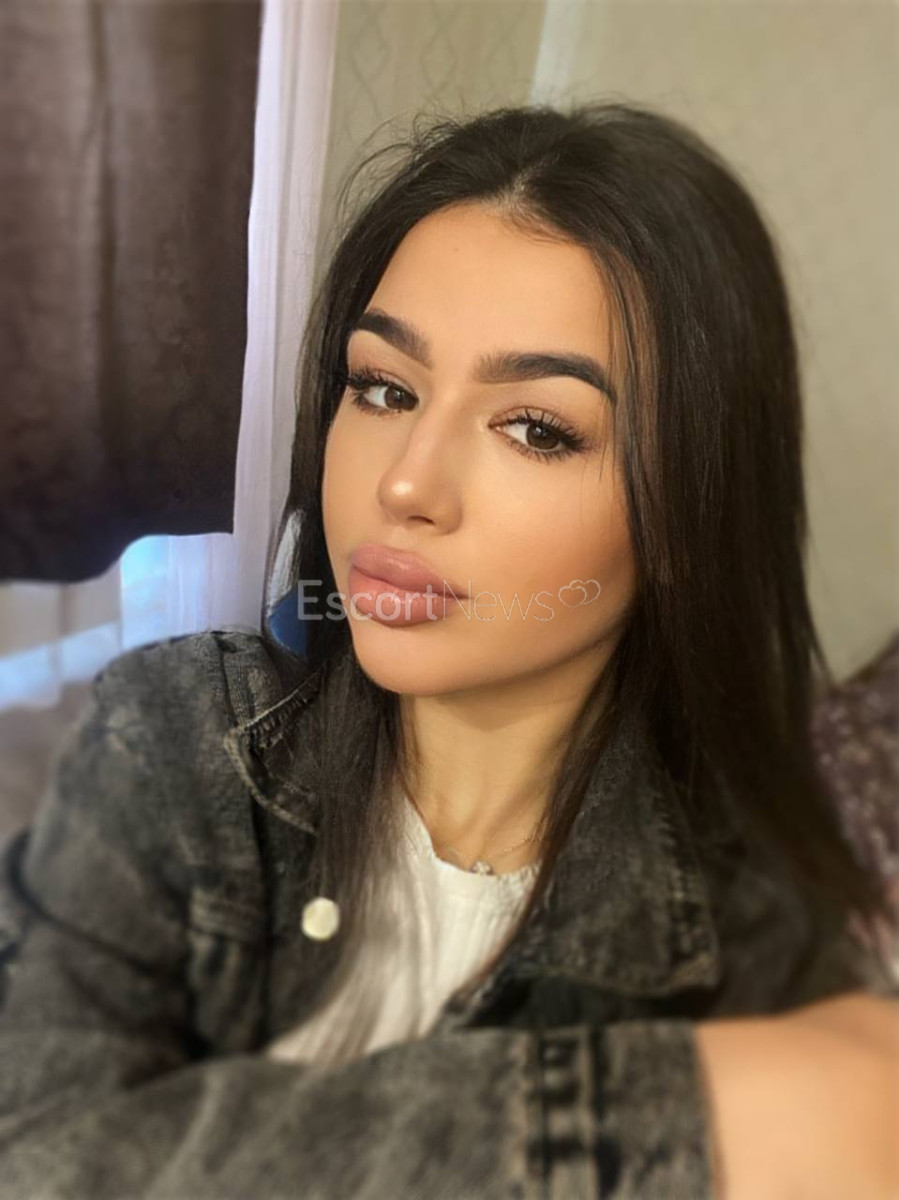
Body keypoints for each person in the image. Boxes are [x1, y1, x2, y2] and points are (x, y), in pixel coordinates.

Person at [0, 99, 896, 1199]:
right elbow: (35, 1157)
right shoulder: (173, 736)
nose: (405, 483)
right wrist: (660, 1120)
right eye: (383, 388)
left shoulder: (748, 926)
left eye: (535, 428)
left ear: (683, 517)